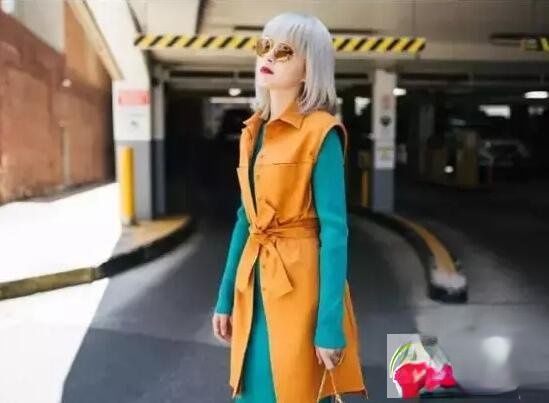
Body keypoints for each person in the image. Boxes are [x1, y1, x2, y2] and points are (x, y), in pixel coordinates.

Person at [211, 11, 368, 402]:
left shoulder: (321, 132)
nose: (268, 56)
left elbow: (335, 233)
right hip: (254, 283)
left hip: (300, 289)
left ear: (308, 69)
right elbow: (245, 220)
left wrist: (329, 325)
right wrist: (225, 296)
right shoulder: (253, 131)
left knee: (291, 390)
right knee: (249, 391)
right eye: (264, 46)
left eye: (284, 51)